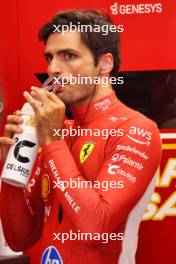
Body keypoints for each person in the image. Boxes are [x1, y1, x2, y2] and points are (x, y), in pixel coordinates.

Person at [0, 9, 162, 264]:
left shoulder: (136, 129)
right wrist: (11, 166)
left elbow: (95, 226)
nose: (53, 68)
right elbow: (19, 239)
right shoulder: (56, 129)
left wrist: (52, 141)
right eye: (49, 57)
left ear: (104, 63)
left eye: (69, 56)